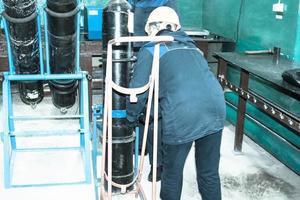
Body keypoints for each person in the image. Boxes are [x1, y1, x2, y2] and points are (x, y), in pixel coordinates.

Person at [127, 6, 226, 200]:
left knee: (171, 175)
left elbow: (136, 92)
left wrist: (129, 118)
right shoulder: (194, 49)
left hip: (183, 116)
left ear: (153, 28)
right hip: (216, 109)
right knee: (209, 173)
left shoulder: (151, 49)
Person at [128, 0, 177, 182]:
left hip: (152, 31)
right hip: (144, 29)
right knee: (148, 101)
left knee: (153, 108)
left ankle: (156, 163)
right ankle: (143, 147)